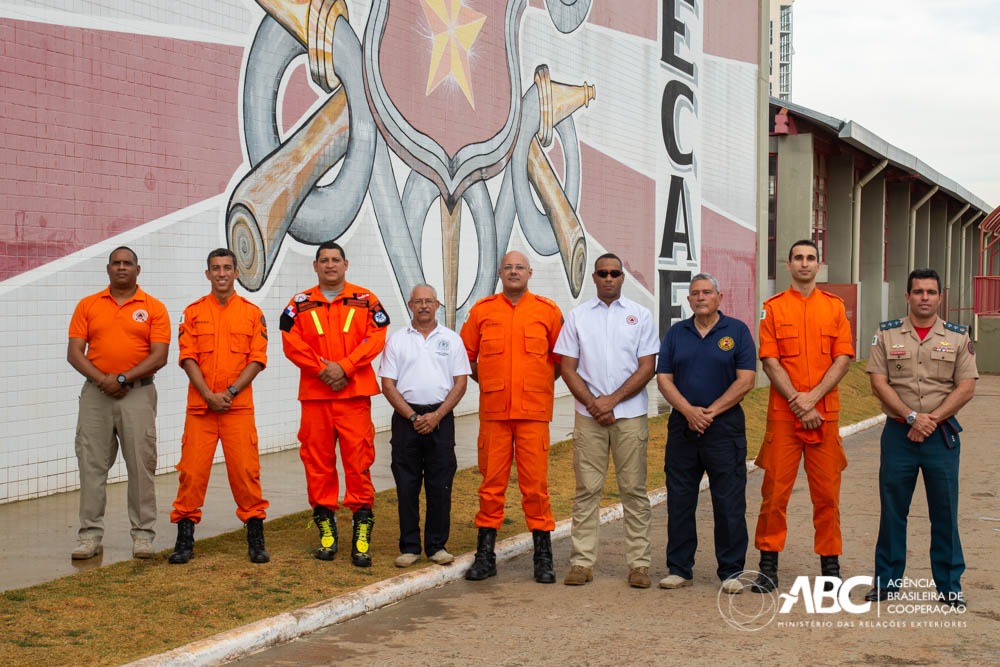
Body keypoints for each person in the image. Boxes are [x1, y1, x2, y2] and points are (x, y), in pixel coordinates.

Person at [864, 268, 977, 608]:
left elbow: (967, 386)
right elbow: (878, 382)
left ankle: (949, 585)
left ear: (940, 296)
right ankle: (886, 582)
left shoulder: (958, 337)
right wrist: (912, 417)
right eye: (918, 292)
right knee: (893, 510)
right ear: (907, 297)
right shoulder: (886, 334)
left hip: (940, 437)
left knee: (944, 511)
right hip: (899, 434)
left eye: (930, 292)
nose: (924, 297)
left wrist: (931, 419)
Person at [751, 239, 854, 593]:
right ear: (788, 264)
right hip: (784, 415)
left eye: (810, 258)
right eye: (798, 258)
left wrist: (812, 400)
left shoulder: (834, 308)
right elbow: (769, 359)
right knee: (774, 494)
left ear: (819, 265)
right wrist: (798, 400)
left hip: (824, 414)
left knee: (827, 495)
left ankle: (830, 570)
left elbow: (843, 357)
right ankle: (767, 567)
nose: (805, 264)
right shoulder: (773, 308)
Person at [280, 241, 390, 567]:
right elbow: (291, 341)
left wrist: (345, 367)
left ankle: (361, 533)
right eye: (324, 260)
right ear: (315, 266)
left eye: (335, 260)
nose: (330, 265)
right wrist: (322, 369)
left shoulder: (366, 300)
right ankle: (326, 531)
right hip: (316, 398)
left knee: (359, 462)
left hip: (353, 396)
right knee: (318, 463)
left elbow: (377, 336)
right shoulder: (299, 304)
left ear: (346, 264)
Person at [555, 254, 659, 589]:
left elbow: (647, 367)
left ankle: (639, 565)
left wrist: (611, 401)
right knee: (587, 490)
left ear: (623, 277)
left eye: (615, 273)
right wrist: (594, 405)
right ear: (594, 277)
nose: (609, 278)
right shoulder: (578, 317)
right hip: (589, 417)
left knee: (633, 490)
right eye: (603, 273)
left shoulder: (640, 315)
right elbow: (567, 368)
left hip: (630, 417)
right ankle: (582, 562)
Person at [460, 250, 563, 583]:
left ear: (530, 273)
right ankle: (485, 556)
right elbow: (467, 358)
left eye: (520, 267)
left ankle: (543, 558)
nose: (514, 272)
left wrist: (535, 385)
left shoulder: (547, 312)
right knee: (491, 486)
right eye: (508, 267)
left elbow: (561, 361)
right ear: (500, 273)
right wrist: (492, 383)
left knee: (536, 488)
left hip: (533, 414)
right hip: (494, 413)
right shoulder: (482, 312)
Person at [168, 248, 270, 565]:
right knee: (192, 475)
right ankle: (184, 540)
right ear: (207, 273)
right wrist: (209, 395)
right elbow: (188, 357)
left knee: (245, 473)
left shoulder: (252, 314)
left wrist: (230, 392)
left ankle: (255, 538)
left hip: (237, 409)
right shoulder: (193, 312)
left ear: (236, 273)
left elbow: (257, 359)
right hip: (201, 410)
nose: (222, 273)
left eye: (227, 267)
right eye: (216, 268)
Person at [67, 246, 170, 560]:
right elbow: (74, 352)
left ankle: (142, 535)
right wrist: (104, 380)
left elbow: (159, 355)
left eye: (128, 263)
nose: (121, 268)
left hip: (137, 395)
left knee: (141, 466)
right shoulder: (89, 305)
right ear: (108, 268)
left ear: (138, 269)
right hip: (96, 397)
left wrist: (122, 378)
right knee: (92, 467)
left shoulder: (154, 308)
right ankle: (89, 536)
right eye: (116, 263)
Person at [656, 274, 756, 594]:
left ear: (719, 297)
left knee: (728, 501)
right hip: (683, 427)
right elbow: (664, 378)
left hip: (723, 428)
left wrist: (710, 411)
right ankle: (679, 568)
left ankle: (731, 571)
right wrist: (688, 411)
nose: (701, 298)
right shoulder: (676, 333)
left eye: (707, 292)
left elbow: (746, 380)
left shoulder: (737, 331)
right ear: (688, 301)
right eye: (695, 293)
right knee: (680, 500)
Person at [379, 285, 471, 568]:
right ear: (410, 305)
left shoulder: (452, 340)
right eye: (418, 301)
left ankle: (436, 545)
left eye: (428, 301)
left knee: (439, 483)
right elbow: (388, 385)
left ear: (437, 305)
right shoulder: (397, 341)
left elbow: (461, 383)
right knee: (406, 484)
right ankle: (409, 546)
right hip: (407, 420)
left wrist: (437, 415)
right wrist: (412, 417)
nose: (423, 306)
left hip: (440, 419)